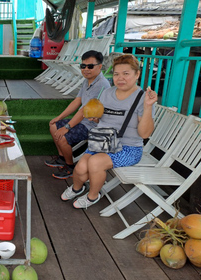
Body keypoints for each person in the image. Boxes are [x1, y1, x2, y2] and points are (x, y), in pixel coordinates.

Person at [60, 54, 158, 209]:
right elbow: (103, 119)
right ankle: (77, 188)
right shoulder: (107, 93)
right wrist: (95, 119)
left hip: (128, 148)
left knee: (95, 163)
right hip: (102, 142)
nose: (120, 78)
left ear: (137, 74)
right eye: (116, 74)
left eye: (126, 74)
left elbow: (145, 134)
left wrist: (147, 107)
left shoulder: (142, 98)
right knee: (80, 169)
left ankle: (93, 196)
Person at [47, 50, 111, 179]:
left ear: (99, 66)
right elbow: (77, 101)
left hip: (93, 125)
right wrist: (59, 118)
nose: (86, 69)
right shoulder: (87, 80)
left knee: (63, 136)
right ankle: (62, 158)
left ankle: (70, 167)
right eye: (83, 66)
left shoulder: (102, 85)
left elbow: (84, 111)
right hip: (83, 121)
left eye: (90, 66)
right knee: (53, 125)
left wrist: (67, 127)